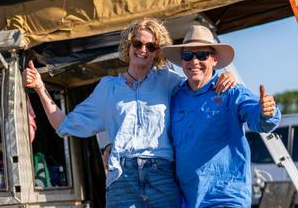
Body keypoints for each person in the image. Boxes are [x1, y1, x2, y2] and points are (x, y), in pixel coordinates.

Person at [23, 18, 236, 208]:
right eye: (138, 43)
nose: (143, 49)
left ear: (157, 52)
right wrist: (41, 88)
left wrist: (223, 80)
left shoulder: (167, 80)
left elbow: (198, 87)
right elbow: (63, 124)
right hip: (122, 178)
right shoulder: (108, 88)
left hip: (161, 175)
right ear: (128, 44)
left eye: (151, 46)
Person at [162, 24, 281, 208]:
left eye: (202, 55)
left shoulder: (231, 91)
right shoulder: (174, 97)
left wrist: (267, 111)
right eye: (188, 55)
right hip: (188, 199)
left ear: (214, 60)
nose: (194, 61)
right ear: (182, 61)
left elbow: (258, 120)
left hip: (226, 198)